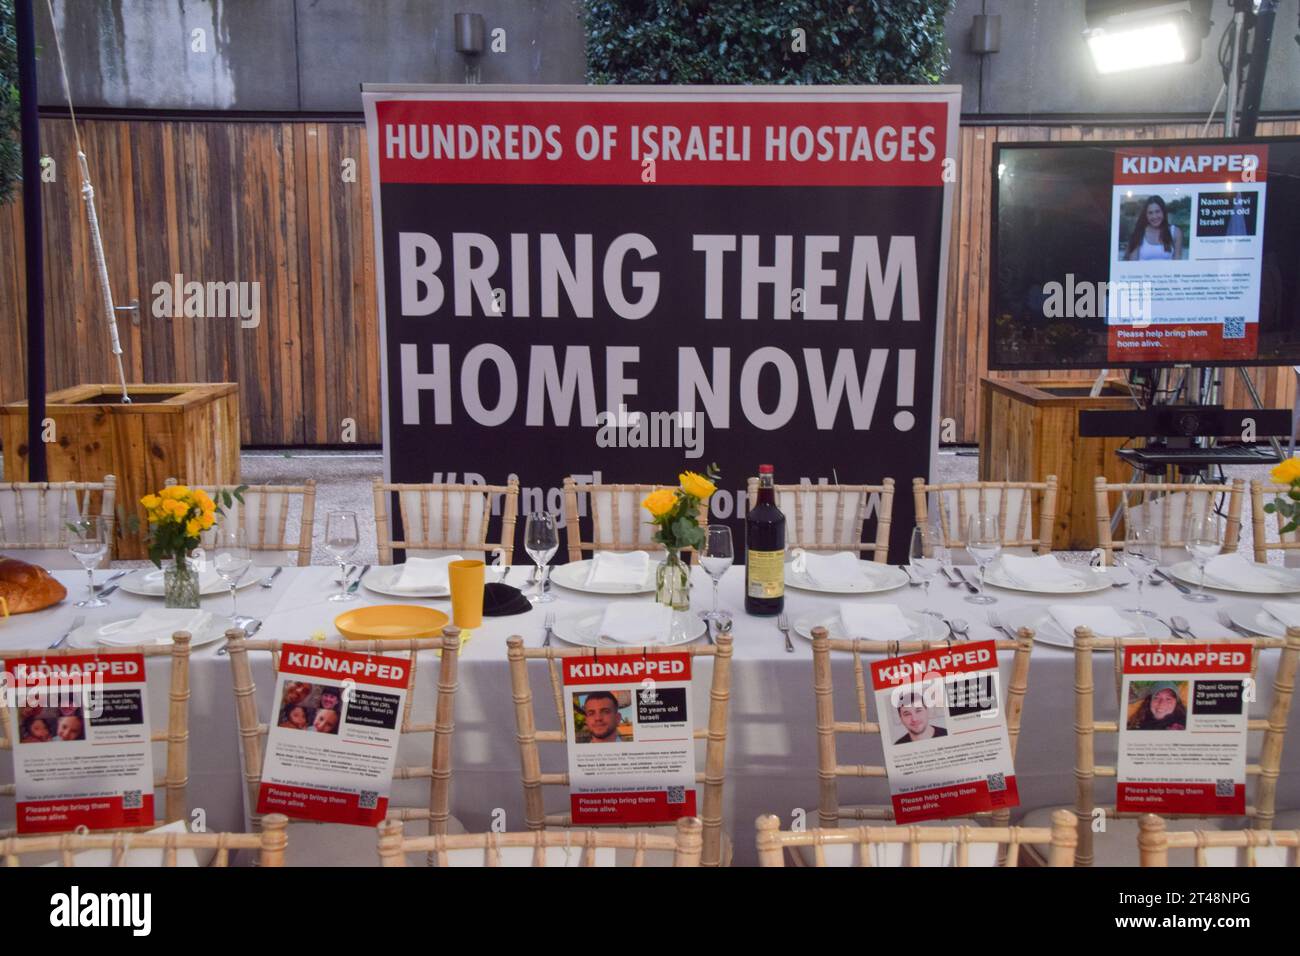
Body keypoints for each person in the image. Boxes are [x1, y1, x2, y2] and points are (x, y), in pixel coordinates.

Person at [1124, 196, 1183, 261]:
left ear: (1163, 212)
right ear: (1146, 215)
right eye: (1150, 213)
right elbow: (1132, 264)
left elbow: (1177, 263)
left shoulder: (1175, 232)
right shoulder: (1139, 233)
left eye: (1157, 211)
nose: (1154, 216)